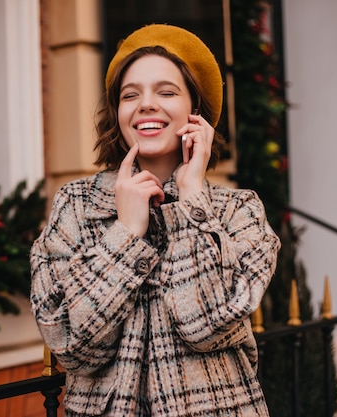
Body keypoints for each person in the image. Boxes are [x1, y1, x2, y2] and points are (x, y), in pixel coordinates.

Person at [30, 24, 281, 417]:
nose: (146, 104)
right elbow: (73, 347)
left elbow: (207, 325)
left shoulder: (240, 211)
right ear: (118, 112)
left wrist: (191, 200)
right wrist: (126, 234)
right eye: (131, 95)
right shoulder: (75, 206)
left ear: (194, 112)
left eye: (166, 92)